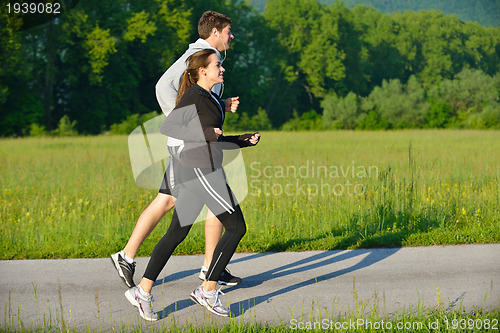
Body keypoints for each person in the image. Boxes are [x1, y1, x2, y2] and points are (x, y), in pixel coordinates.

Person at [125, 49, 260, 321]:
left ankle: (143, 290)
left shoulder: (210, 97)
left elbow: (213, 136)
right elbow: (170, 128)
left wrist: (243, 140)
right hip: (202, 170)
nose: (222, 70)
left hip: (199, 167)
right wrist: (206, 133)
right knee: (237, 227)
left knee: (177, 232)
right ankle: (208, 291)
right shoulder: (193, 97)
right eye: (217, 66)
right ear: (203, 71)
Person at [111, 11, 242, 289]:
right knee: (182, 202)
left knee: (172, 200)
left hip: (197, 146)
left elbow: (201, 98)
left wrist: (221, 104)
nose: (232, 36)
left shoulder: (210, 55)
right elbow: (163, 87)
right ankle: (206, 269)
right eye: (228, 31)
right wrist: (185, 122)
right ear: (215, 32)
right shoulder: (200, 53)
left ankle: (208, 267)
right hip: (190, 147)